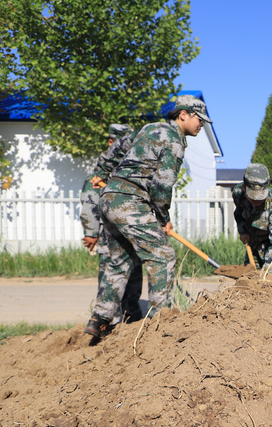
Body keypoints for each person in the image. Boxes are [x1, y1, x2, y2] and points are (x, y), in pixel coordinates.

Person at [84, 94, 211, 338]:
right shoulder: (174, 142)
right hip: (131, 201)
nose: (201, 124)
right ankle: (160, 322)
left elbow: (118, 146)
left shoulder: (150, 128)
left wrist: (102, 171)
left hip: (110, 199)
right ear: (183, 114)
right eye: (199, 119)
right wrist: (163, 219)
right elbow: (162, 187)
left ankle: (99, 319)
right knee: (163, 255)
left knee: (120, 260)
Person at [80, 124, 142, 324]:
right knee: (110, 276)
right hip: (110, 237)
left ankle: (132, 318)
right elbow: (90, 201)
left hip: (133, 235)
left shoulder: (132, 169)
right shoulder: (101, 171)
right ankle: (108, 321)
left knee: (134, 276)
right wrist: (91, 231)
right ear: (111, 142)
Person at [232, 163, 272, 278]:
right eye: (253, 196)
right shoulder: (238, 194)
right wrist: (243, 231)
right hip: (255, 240)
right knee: (249, 276)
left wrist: (266, 274)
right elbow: (239, 213)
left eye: (261, 196)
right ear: (244, 188)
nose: (257, 199)